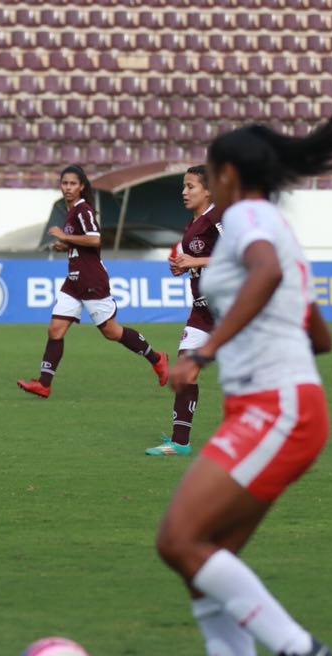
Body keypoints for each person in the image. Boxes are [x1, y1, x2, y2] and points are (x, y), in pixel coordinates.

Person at [155, 106, 332, 656]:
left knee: (179, 541)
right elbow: (318, 333)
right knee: (204, 558)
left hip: (276, 409)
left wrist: (207, 350)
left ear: (226, 173)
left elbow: (268, 276)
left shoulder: (245, 216)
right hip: (276, 405)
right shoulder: (276, 225)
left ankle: (299, 648)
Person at [17, 165, 168, 398]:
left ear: (81, 187)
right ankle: (44, 384)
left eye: (72, 184)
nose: (67, 188)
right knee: (55, 329)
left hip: (91, 279)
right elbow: (82, 242)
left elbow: (95, 240)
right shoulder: (71, 212)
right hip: (74, 279)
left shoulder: (83, 210)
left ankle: (157, 358)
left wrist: (66, 237)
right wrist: (66, 246)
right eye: (64, 183)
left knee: (111, 332)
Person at [146, 166, 220, 457]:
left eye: (190, 186)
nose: (184, 192)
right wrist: (183, 265)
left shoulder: (218, 219)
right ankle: (180, 442)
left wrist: (196, 262)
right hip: (202, 312)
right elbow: (197, 261)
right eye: (184, 186)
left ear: (208, 190)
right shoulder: (193, 224)